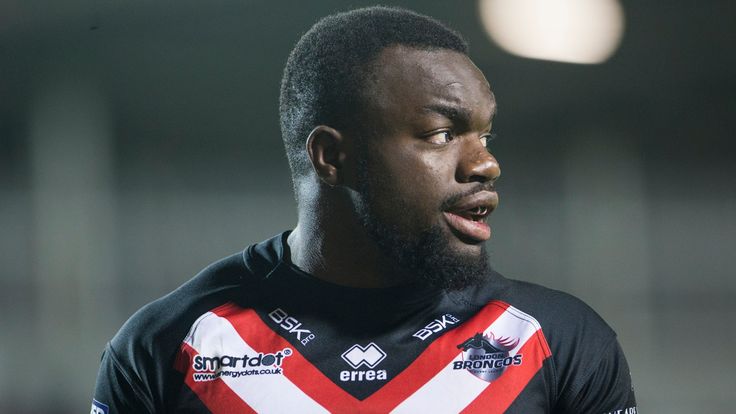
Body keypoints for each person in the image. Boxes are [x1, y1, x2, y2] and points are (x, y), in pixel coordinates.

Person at [92, 6, 637, 413]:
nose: (486, 165)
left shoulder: (561, 342)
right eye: (443, 133)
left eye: (485, 134)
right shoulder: (170, 346)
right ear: (331, 156)